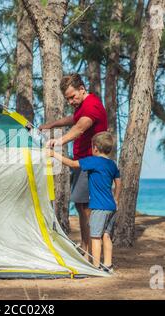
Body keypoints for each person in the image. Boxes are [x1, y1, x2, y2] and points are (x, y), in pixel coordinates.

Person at [39, 73, 108, 255]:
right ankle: (85, 247)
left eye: (72, 97)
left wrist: (58, 141)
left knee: (86, 209)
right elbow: (73, 119)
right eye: (67, 99)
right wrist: (51, 125)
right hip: (83, 162)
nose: (70, 101)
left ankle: (91, 251)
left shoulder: (92, 105)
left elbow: (79, 128)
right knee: (80, 206)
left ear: (82, 90)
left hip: (91, 163)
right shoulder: (82, 106)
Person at [46, 131, 121, 273]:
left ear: (95, 148)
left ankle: (96, 266)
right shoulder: (112, 164)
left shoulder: (92, 161)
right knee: (106, 235)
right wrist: (116, 199)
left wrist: (54, 154)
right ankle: (108, 265)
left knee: (95, 237)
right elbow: (118, 183)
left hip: (99, 207)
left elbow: (73, 164)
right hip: (111, 206)